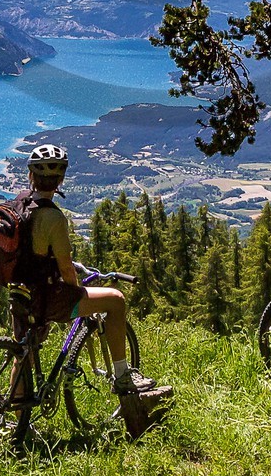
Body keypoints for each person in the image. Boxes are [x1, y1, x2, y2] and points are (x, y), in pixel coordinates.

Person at [18, 143, 173, 430]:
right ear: (61, 180)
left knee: (22, 351)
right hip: (48, 298)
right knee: (115, 299)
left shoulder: (18, 206)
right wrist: (74, 292)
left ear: (30, 175)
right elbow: (66, 268)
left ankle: (16, 425)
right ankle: (123, 374)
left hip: (19, 293)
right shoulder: (53, 217)